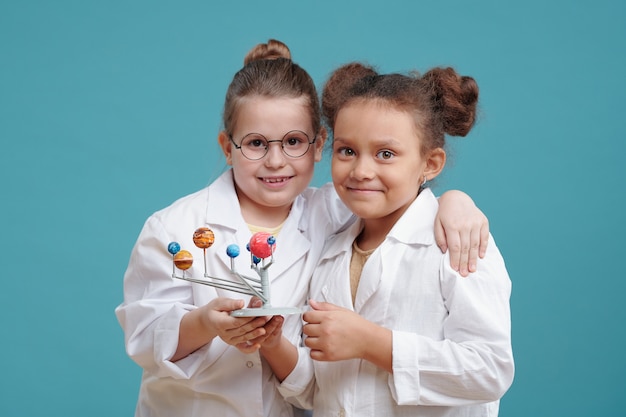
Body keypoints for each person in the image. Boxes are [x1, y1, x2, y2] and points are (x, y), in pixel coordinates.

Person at [115, 40, 491, 417]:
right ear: (227, 148)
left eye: (294, 142)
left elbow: (398, 196)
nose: (275, 161)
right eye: (256, 143)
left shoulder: (338, 210)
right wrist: (204, 323)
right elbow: (143, 339)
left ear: (319, 144)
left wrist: (455, 200)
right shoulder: (173, 229)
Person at [272, 63, 514, 416]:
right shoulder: (330, 253)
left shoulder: (457, 241)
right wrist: (272, 343)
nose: (361, 171)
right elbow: (319, 392)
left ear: (430, 164)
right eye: (347, 151)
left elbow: (488, 371)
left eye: (386, 154)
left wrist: (371, 342)